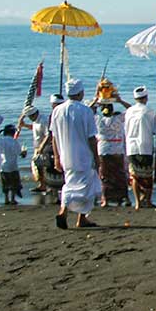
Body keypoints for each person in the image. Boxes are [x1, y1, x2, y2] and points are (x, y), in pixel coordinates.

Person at [51, 79, 101, 229]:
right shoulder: (85, 111)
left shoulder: (57, 110)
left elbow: (54, 137)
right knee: (86, 186)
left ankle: (73, 214)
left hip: (65, 154)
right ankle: (73, 214)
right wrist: (97, 157)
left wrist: (57, 157)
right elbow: (91, 137)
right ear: (80, 93)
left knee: (70, 184)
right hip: (83, 155)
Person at [93, 96, 131, 206]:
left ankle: (105, 198)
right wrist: (121, 101)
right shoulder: (118, 118)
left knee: (104, 175)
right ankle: (124, 197)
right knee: (120, 174)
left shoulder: (98, 120)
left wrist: (96, 102)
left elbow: (88, 110)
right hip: (116, 149)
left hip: (104, 149)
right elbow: (131, 109)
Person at [125, 86, 156, 209]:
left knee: (135, 175)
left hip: (131, 146)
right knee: (147, 176)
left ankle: (137, 202)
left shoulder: (129, 111)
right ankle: (147, 201)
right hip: (145, 146)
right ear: (146, 98)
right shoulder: (149, 111)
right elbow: (154, 129)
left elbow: (125, 129)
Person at [17, 106, 49, 194]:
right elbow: (35, 128)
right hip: (37, 147)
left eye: (31, 116)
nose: (30, 118)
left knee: (41, 167)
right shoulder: (36, 121)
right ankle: (42, 185)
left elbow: (48, 134)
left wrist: (42, 146)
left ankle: (45, 185)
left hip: (44, 147)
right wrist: (24, 125)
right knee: (37, 167)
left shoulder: (44, 120)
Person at [0, 124, 25, 205]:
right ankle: (13, 199)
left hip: (3, 166)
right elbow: (20, 153)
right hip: (13, 166)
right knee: (14, 184)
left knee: (5, 183)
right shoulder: (14, 141)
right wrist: (24, 152)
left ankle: (6, 199)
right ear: (13, 132)